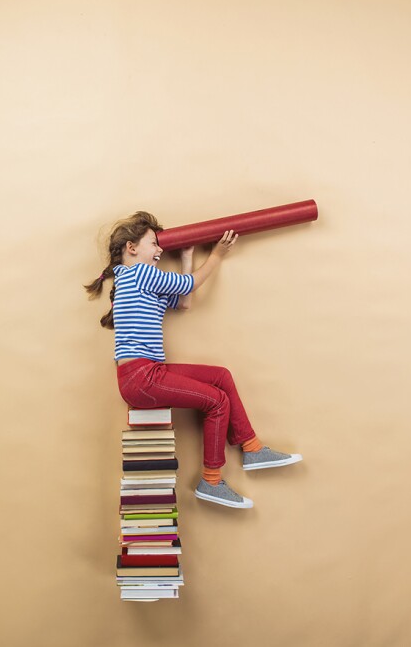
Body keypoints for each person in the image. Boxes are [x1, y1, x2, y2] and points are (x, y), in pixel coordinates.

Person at [85, 211, 302, 509]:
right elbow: (189, 285)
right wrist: (217, 255)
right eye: (154, 243)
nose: (160, 249)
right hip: (141, 378)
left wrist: (187, 254)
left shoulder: (142, 282)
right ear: (131, 249)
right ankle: (211, 481)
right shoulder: (138, 273)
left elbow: (184, 301)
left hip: (147, 373)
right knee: (216, 400)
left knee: (220, 377)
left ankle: (252, 448)